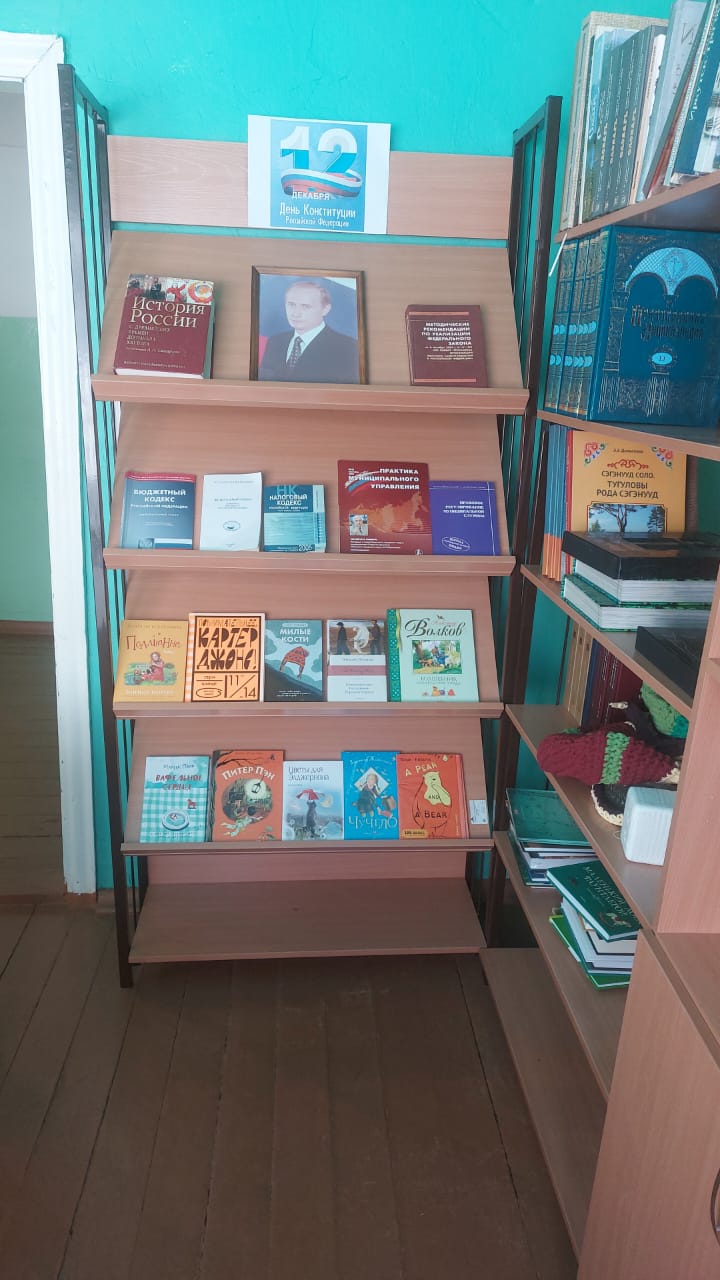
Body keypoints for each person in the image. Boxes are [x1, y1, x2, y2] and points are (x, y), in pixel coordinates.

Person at [258, 278, 360, 383]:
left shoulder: (347, 347)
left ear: (325, 309)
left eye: (305, 307)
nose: (296, 313)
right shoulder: (275, 341)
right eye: (291, 305)